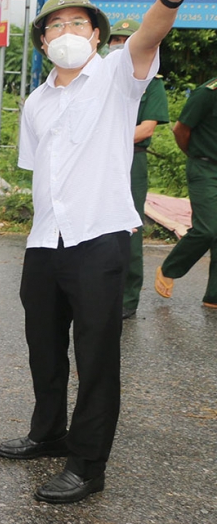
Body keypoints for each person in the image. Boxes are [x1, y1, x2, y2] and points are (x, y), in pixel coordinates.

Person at [0, 0, 202, 505]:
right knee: (43, 345)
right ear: (42, 42)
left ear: (96, 35)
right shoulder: (36, 102)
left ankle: (88, 464)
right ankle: (48, 433)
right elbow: (43, 173)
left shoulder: (115, 75)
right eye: (55, 26)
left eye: (77, 24)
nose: (65, 32)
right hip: (45, 241)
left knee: (96, 354)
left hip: (99, 237)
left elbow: (149, 38)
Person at [104, 20, 170, 320]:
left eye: (124, 39)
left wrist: (104, 135)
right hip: (98, 160)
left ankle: (127, 299)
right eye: (114, 39)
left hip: (132, 160)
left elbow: (146, 128)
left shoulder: (152, 84)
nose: (118, 44)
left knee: (127, 226)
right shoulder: (97, 78)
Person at [155, 70, 217, 310]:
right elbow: (180, 129)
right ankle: (169, 268)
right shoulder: (207, 93)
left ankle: (213, 296)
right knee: (207, 229)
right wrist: (195, 156)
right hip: (205, 167)